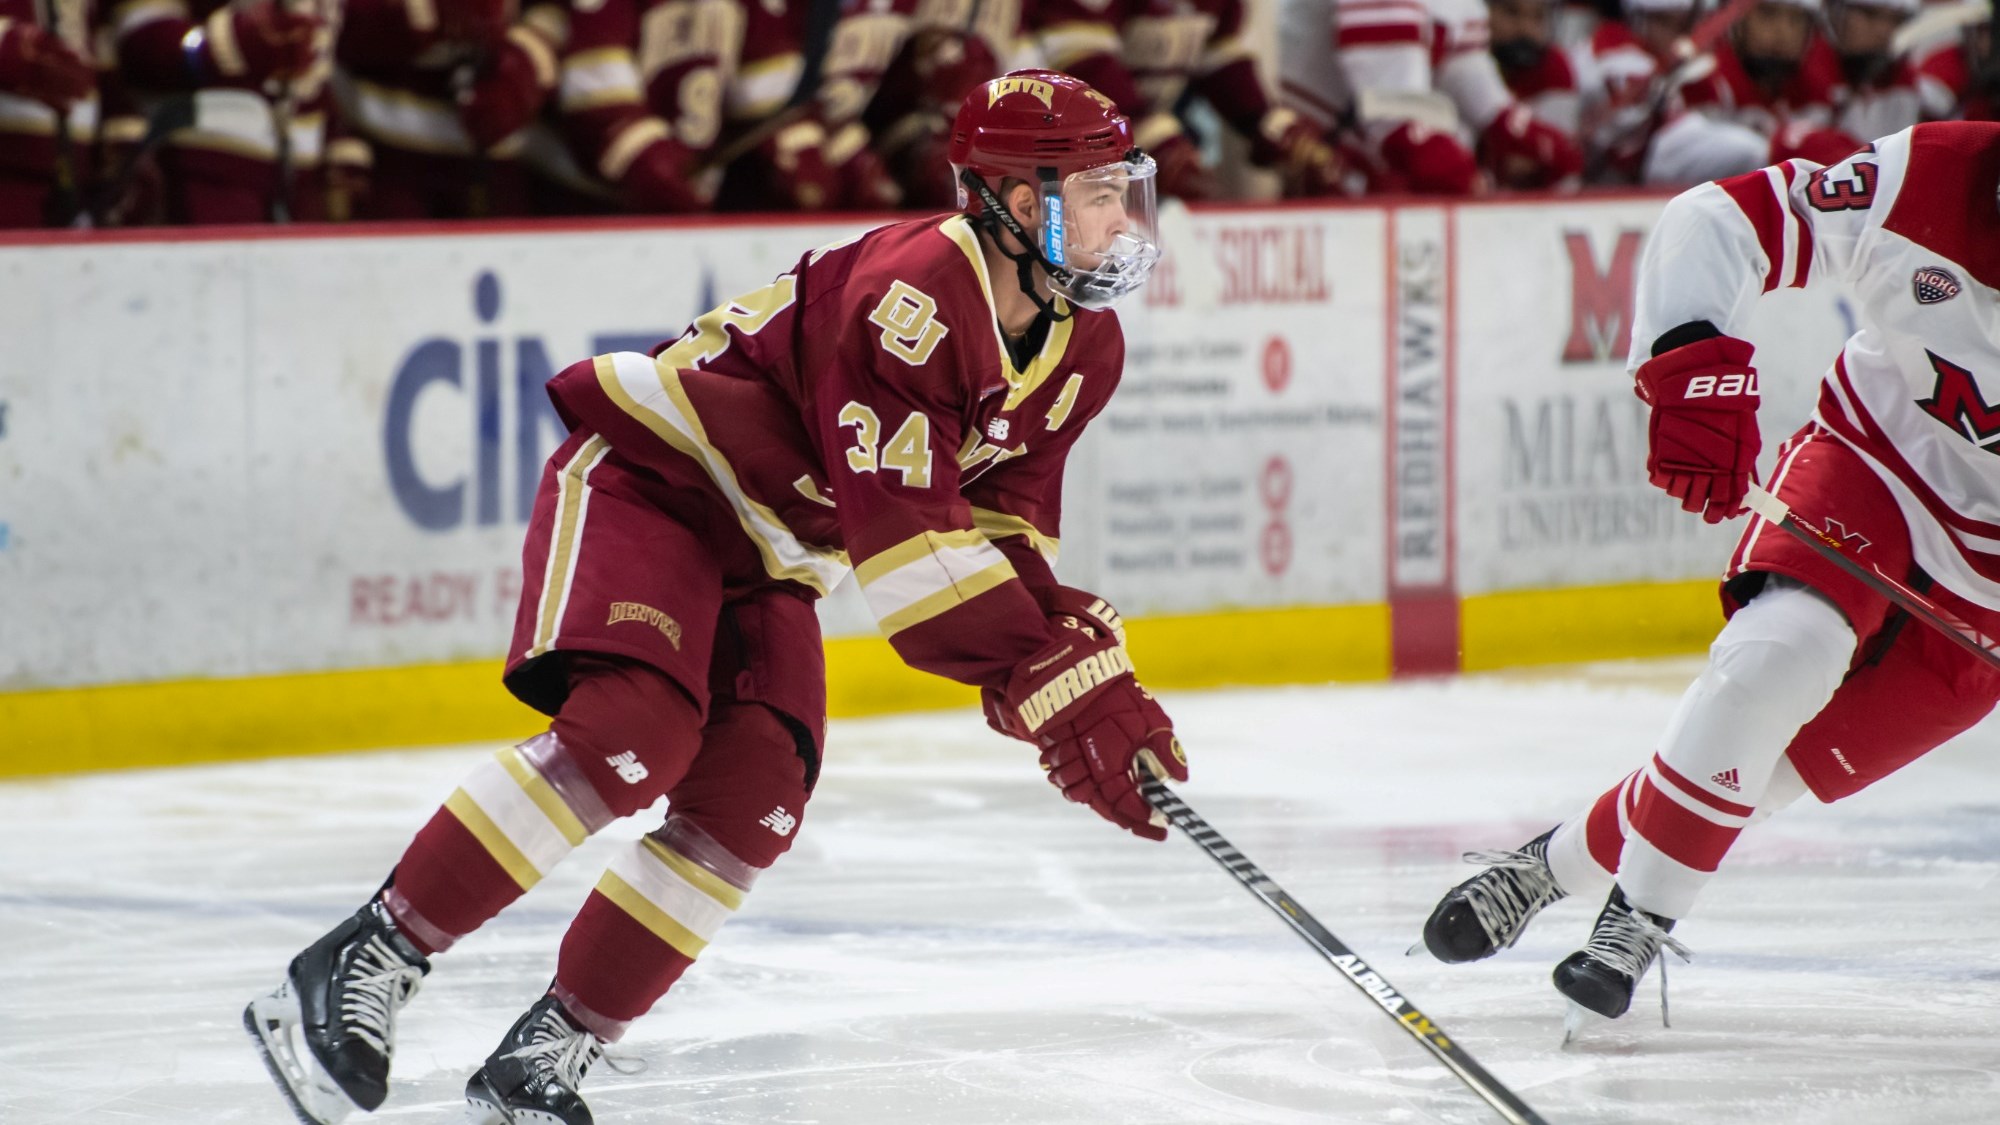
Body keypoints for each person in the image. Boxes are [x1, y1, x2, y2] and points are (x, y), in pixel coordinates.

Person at [243, 68, 1187, 1125]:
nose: (1125, 220)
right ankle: (364, 956)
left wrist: (1065, 667)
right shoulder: (915, 295)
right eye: (1100, 193)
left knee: (754, 803)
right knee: (630, 735)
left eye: (1125, 189)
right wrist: (1047, 677)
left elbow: (995, 534)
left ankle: (547, 1053)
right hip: (662, 484)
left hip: (772, 550)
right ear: (1020, 203)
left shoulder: (1082, 349)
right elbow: (912, 557)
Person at [1420, 120, 2000, 1024]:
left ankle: (1551, 865)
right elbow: (1718, 221)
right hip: (1879, 469)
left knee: (1758, 770)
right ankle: (1635, 923)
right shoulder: (1923, 177)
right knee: (1775, 661)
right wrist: (1690, 361)